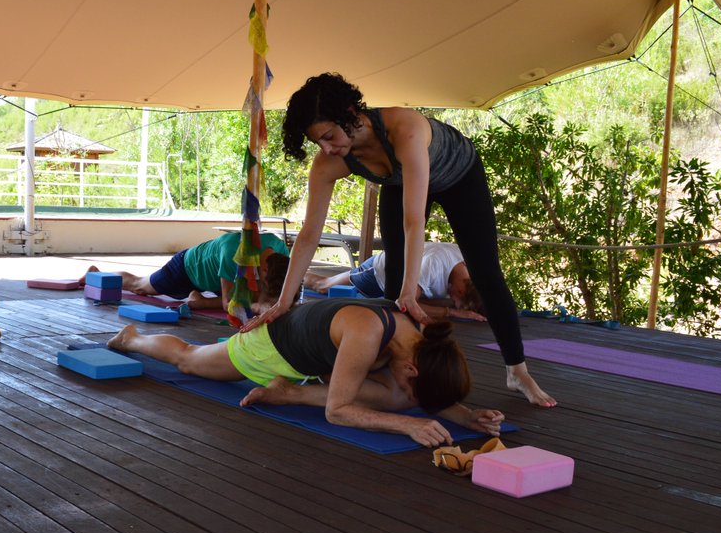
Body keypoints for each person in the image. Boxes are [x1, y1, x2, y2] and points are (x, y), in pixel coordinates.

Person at [249, 73, 555, 406]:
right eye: (317, 142)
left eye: (329, 136)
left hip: (459, 176)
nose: (326, 148)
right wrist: (283, 301)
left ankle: (517, 370)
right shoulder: (330, 161)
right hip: (397, 182)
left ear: (350, 114)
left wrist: (413, 290)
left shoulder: (404, 128)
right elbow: (309, 234)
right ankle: (407, 367)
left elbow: (414, 222)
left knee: (485, 273)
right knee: (394, 277)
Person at [109, 298, 505, 447]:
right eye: (415, 388)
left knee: (398, 397)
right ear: (411, 368)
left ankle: (288, 392)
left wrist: (466, 416)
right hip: (273, 347)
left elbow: (425, 389)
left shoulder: (419, 341)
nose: (414, 400)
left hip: (319, 359)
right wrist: (408, 425)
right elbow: (338, 411)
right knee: (189, 359)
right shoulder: (368, 333)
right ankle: (133, 339)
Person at [83, 231, 291, 312]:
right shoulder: (233, 253)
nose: (262, 284)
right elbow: (229, 303)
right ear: (263, 268)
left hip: (216, 278)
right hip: (188, 268)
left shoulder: (280, 250)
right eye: (263, 280)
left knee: (252, 295)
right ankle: (95, 274)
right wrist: (259, 307)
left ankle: (198, 299)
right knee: (140, 286)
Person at [305, 242, 485, 321]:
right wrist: (451, 312)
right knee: (323, 286)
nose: (452, 300)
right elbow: (408, 305)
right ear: (461, 291)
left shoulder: (467, 264)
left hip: (400, 283)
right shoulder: (434, 265)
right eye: (456, 300)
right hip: (378, 273)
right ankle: (298, 275)